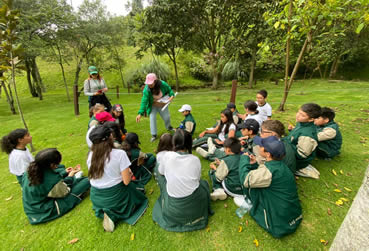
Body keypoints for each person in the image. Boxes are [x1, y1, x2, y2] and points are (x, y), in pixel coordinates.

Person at [239, 136, 302, 238]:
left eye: (261, 146)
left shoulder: (270, 171)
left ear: (268, 154)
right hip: (290, 212)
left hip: (279, 222)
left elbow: (246, 180)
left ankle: (247, 204)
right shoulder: (280, 165)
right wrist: (255, 164)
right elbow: (264, 175)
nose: (259, 147)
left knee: (251, 188)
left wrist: (244, 160)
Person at [87, 126, 148, 232]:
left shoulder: (90, 155)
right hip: (116, 195)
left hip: (97, 197)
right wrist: (128, 172)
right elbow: (126, 181)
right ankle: (112, 214)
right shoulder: (119, 154)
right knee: (139, 191)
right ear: (109, 137)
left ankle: (107, 212)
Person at [152, 129, 213, 232]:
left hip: (173, 208)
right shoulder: (195, 160)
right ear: (190, 143)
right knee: (203, 184)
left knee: (158, 168)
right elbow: (197, 180)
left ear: (174, 143)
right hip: (195, 204)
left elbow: (161, 172)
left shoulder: (167, 156)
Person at [22, 148, 90, 224]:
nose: (57, 165)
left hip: (34, 209)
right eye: (57, 163)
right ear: (51, 164)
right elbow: (64, 191)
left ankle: (76, 177)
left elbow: (53, 177)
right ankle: (76, 177)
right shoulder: (49, 180)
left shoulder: (30, 171)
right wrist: (70, 176)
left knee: (67, 173)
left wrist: (65, 172)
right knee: (87, 181)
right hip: (46, 210)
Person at [285, 103, 321, 178]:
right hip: (290, 147)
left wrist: (284, 145)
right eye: (298, 112)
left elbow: (301, 154)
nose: (297, 115)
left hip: (298, 160)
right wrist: (292, 131)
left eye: (302, 115)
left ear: (311, 119)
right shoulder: (302, 123)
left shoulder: (307, 135)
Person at [136, 73, 175, 142]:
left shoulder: (162, 84)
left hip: (162, 104)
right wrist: (140, 113)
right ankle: (154, 135)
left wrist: (172, 95)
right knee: (152, 119)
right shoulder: (146, 89)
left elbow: (169, 90)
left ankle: (169, 127)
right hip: (153, 106)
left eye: (151, 83)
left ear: (155, 81)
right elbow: (144, 101)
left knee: (167, 117)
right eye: (148, 83)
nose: (149, 85)